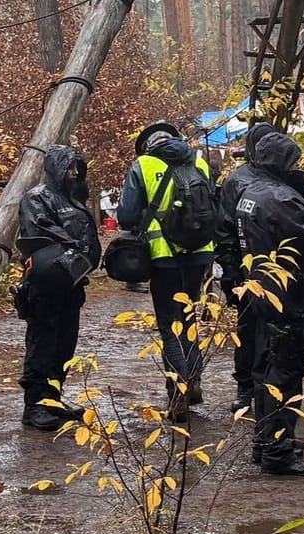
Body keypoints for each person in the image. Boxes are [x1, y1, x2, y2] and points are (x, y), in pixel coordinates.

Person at [231, 127, 304, 477]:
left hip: (263, 292)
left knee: (266, 370)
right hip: (287, 297)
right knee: (284, 374)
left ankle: (265, 445)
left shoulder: (250, 193)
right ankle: (278, 451)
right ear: (282, 162)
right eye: (294, 160)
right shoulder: (281, 199)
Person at [117, 121, 218, 421]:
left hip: (164, 258)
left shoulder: (143, 165)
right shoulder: (199, 160)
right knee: (189, 318)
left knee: (169, 325)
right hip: (200, 254)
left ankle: (179, 394)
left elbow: (126, 215)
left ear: (148, 144)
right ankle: (195, 382)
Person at [16, 145, 100, 431]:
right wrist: (73, 248)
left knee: (65, 344)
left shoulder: (74, 198)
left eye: (78, 168)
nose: (74, 174)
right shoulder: (37, 197)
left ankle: (53, 397)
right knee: (42, 342)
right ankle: (35, 404)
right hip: (45, 284)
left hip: (72, 284)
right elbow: (39, 232)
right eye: (69, 168)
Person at [214, 122, 279, 413]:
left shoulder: (283, 178)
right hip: (246, 270)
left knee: (278, 332)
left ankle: (275, 389)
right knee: (248, 331)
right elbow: (224, 227)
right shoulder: (237, 181)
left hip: (281, 272)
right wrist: (230, 269)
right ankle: (245, 388)